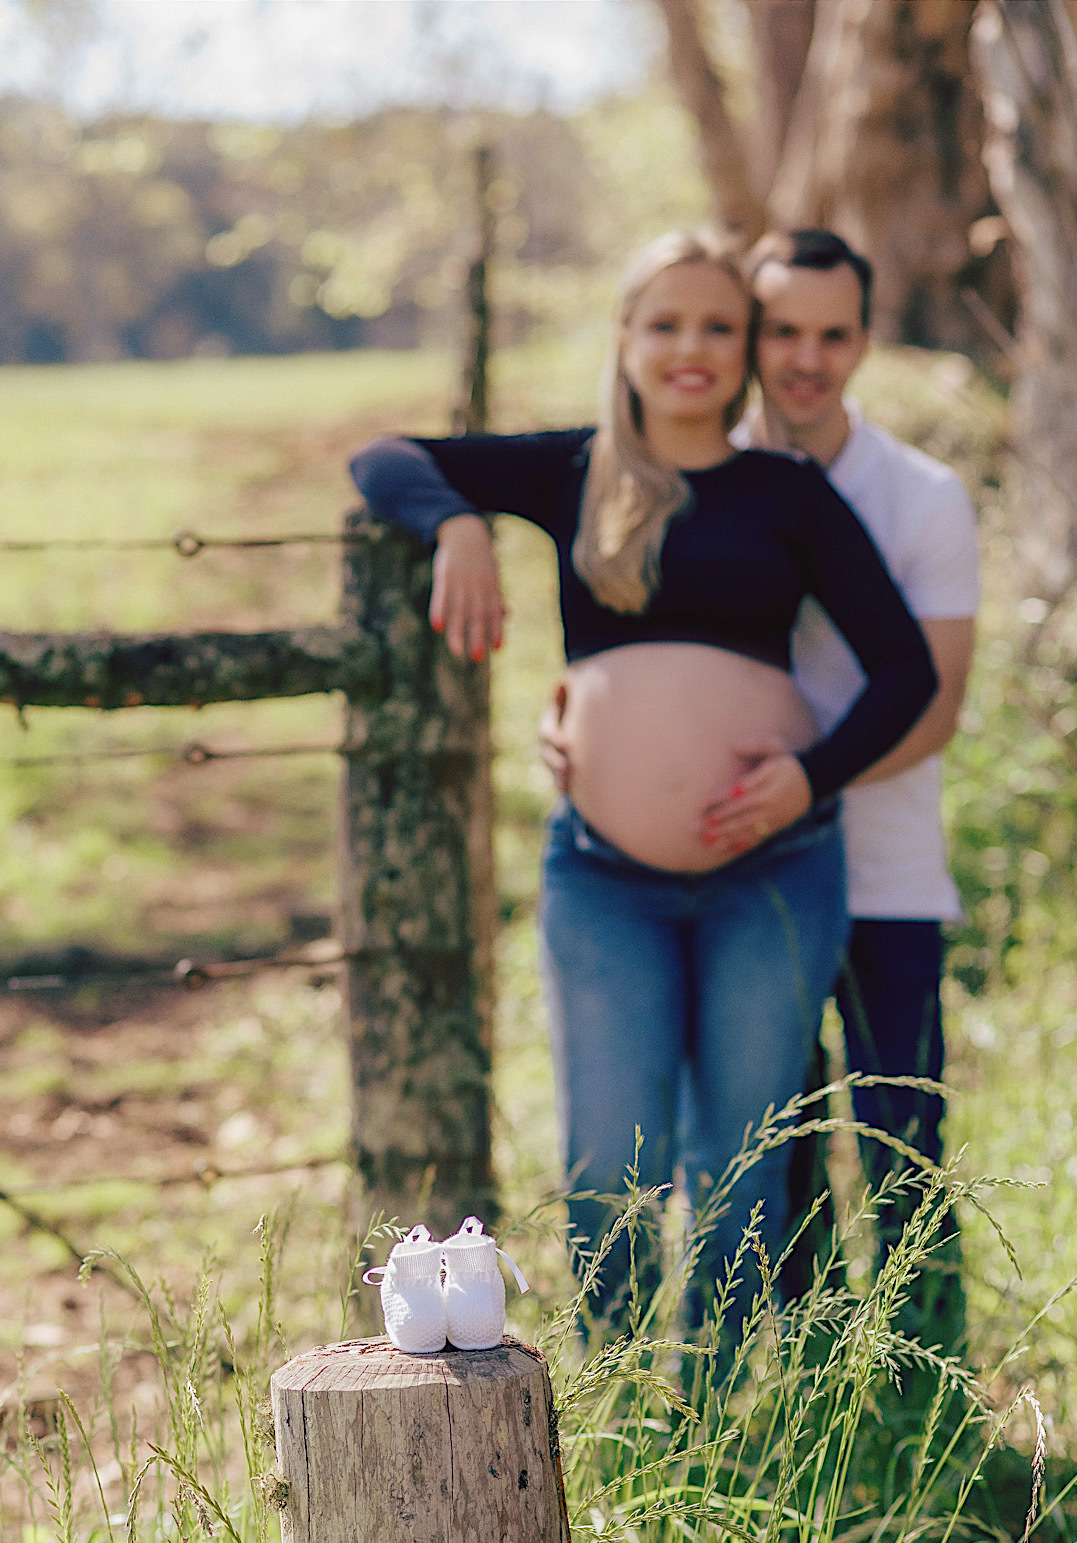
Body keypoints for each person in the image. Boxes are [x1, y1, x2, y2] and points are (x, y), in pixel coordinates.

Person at [348, 230, 937, 1332]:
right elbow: (383, 457)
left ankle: (710, 1420)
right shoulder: (575, 472)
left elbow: (906, 669)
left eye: (719, 326)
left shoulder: (787, 493)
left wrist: (809, 779)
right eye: (665, 323)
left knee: (741, 1161)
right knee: (608, 1159)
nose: (691, 348)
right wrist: (458, 523)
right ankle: (623, 1419)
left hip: (774, 870)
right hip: (604, 879)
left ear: (746, 348)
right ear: (624, 339)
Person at [736, 228, 978, 1345]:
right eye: (783, 330)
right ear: (751, 333)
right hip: (746, 867)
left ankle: (925, 1380)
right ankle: (810, 1379)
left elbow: (936, 705)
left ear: (866, 342)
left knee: (900, 1138)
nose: (805, 358)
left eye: (833, 335)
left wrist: (807, 788)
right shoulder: (704, 479)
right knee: (774, 1145)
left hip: (886, 868)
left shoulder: (923, 495)